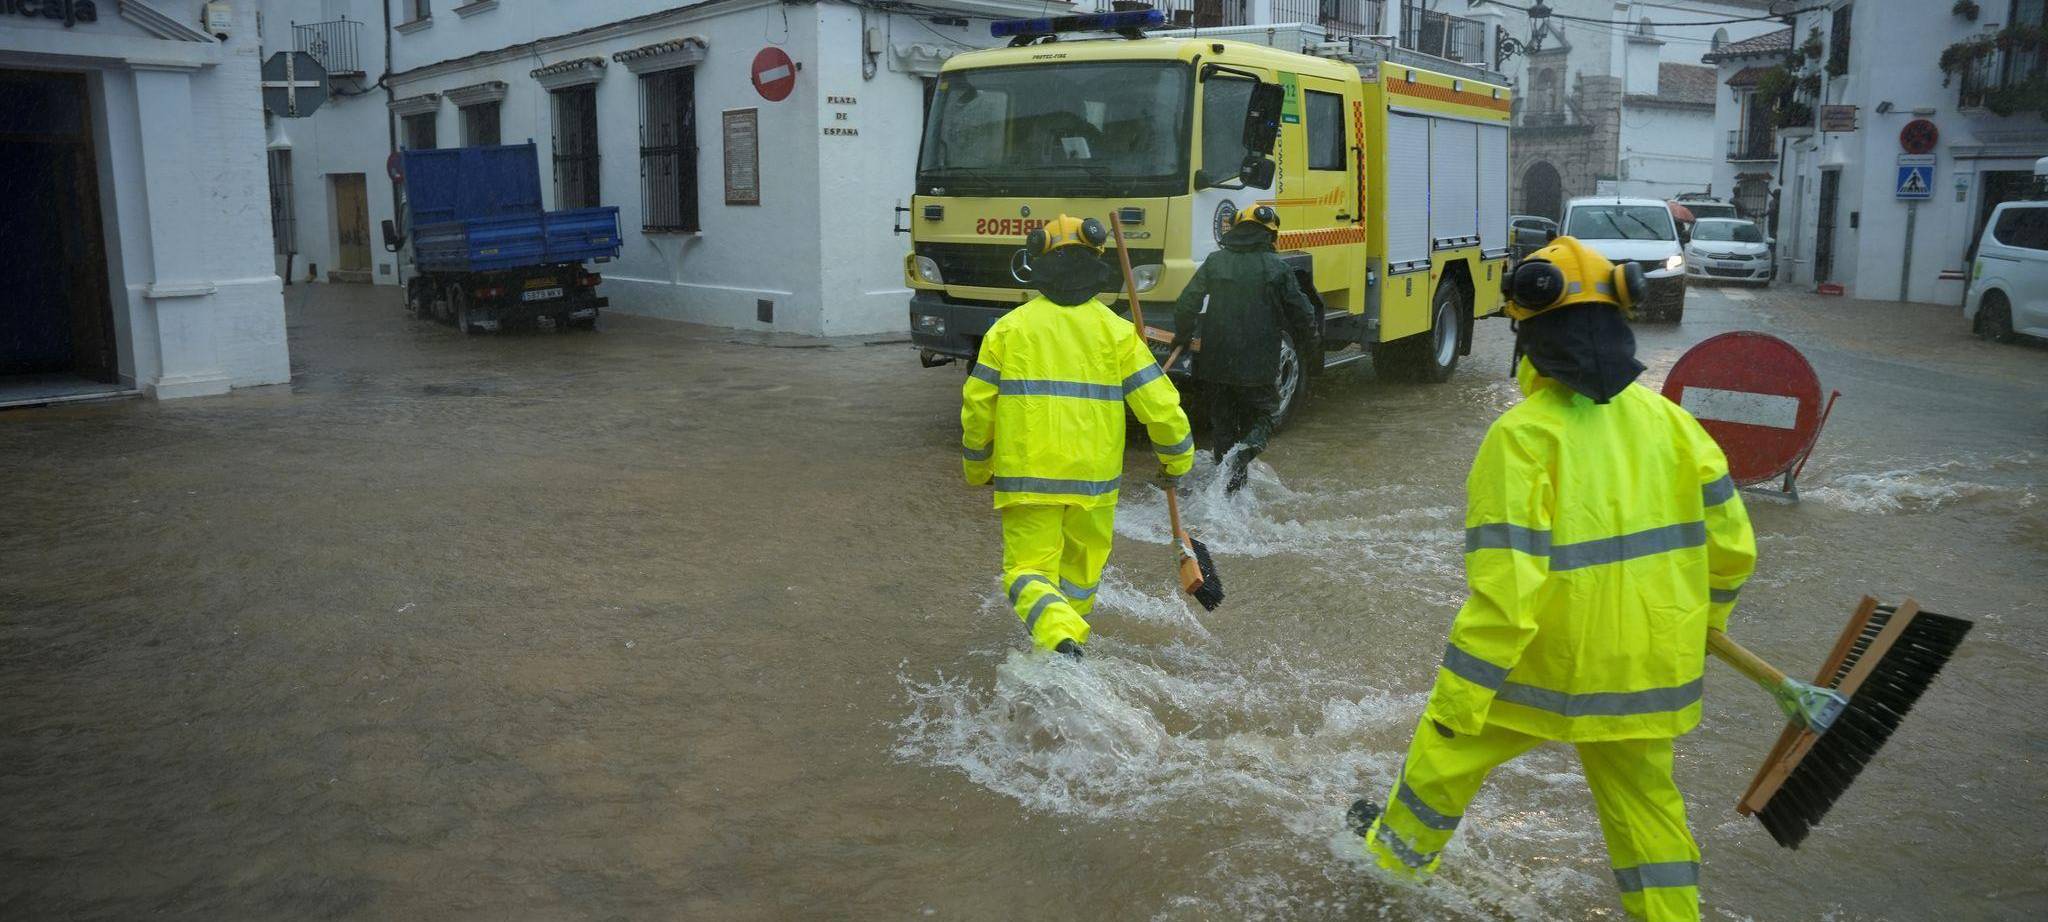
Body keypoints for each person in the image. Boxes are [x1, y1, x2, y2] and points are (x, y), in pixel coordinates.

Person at [1347, 236, 1757, 922]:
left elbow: (1507, 597)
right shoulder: (1677, 426)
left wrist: (1457, 700)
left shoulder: (1522, 437)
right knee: (1648, 813)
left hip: (1541, 669)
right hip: (1648, 670)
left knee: (1440, 764)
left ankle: (1385, 879)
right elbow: (1734, 552)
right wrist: (1706, 627)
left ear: (1528, 334)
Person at [960, 215, 1195, 658]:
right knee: (1081, 578)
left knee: (1026, 572)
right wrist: (1176, 461)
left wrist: (977, 467)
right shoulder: (1116, 332)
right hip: (1094, 484)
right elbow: (1162, 407)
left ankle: (1057, 639)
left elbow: (977, 407)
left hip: (1027, 480)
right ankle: (1065, 652)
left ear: (1039, 265)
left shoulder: (1008, 331)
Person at [1170, 206, 1318, 493]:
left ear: (1236, 229)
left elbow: (1186, 303)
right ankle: (1245, 453)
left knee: (1223, 427)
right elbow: (1303, 314)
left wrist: (1183, 337)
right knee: (1265, 415)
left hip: (1214, 364)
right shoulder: (1277, 268)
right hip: (1257, 366)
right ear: (1270, 235)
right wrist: (1312, 350)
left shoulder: (1215, 262)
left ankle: (1226, 494)